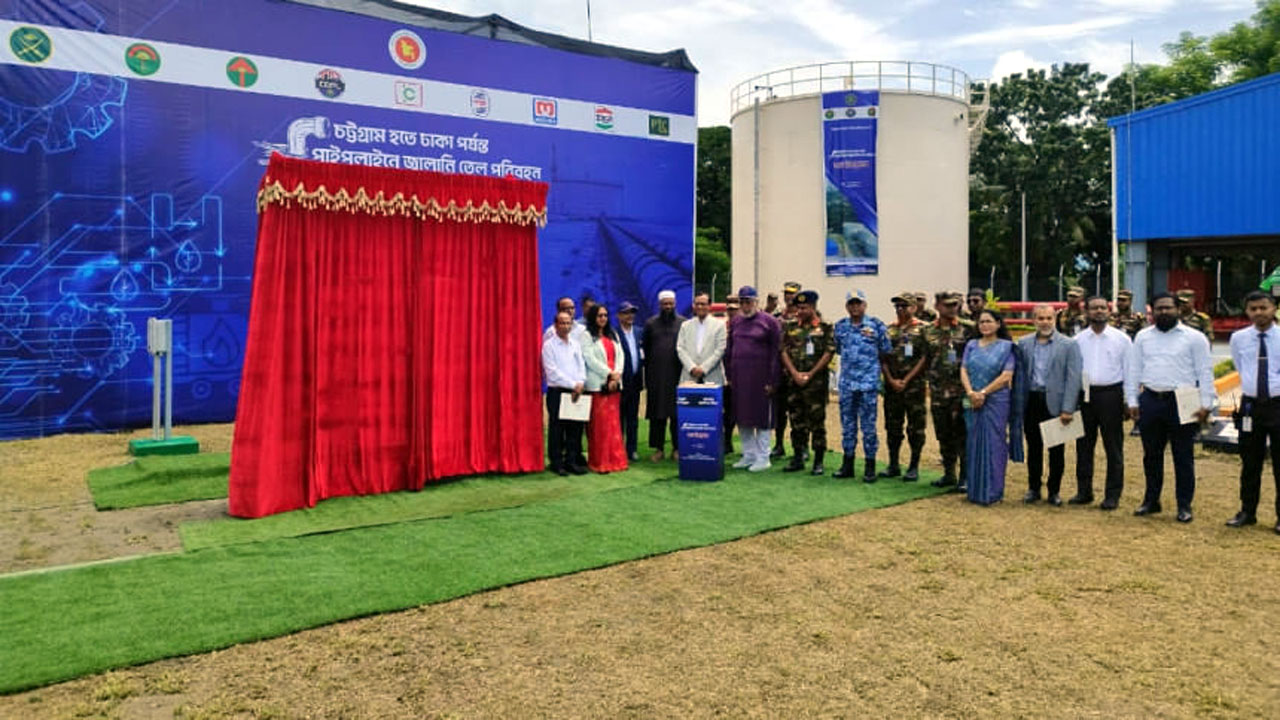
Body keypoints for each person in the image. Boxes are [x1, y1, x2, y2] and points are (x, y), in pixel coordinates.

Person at [1125, 291, 1214, 523]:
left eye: (1168, 307)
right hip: (1151, 399)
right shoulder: (1143, 337)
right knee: (1151, 456)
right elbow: (1133, 370)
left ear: (1178, 309)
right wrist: (1132, 401)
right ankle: (1151, 501)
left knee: (1183, 456)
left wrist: (1207, 404)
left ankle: (1184, 505)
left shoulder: (1195, 337)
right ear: (1152, 311)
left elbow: (1205, 372)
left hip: (1184, 400)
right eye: (1159, 308)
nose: (1164, 311)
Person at [1015, 304, 1083, 506]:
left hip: (1055, 402)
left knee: (1056, 450)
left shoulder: (1068, 345)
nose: (1045, 322)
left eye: (1048, 318)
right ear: (1033, 320)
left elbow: (1073, 378)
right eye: (1040, 318)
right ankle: (1033, 488)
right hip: (1032, 400)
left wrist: (1068, 407)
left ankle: (1054, 490)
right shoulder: (1023, 344)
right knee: (1034, 447)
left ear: (1055, 320)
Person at [1226, 290, 1280, 533]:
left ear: (1274, 308)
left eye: (1263, 308)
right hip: (1250, 406)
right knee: (1250, 462)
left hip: (1278, 405)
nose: (1259, 313)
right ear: (1247, 311)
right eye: (1253, 309)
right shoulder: (1239, 338)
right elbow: (1240, 366)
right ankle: (1247, 511)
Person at [1074, 296, 1131, 509]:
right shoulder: (1078, 340)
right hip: (1085, 396)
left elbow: (1129, 370)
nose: (1098, 311)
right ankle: (1084, 491)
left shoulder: (1121, 339)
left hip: (1111, 395)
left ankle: (1112, 495)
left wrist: (1128, 400)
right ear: (1086, 311)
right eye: (1094, 308)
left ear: (1108, 311)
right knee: (1084, 446)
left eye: (1102, 307)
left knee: (1113, 447)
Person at [961, 309, 1021, 505]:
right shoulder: (971, 345)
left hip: (995, 401)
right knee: (973, 441)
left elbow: (1006, 376)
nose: (984, 325)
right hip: (972, 400)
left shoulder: (1007, 347)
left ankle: (993, 491)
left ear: (998, 324)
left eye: (988, 321)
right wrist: (971, 393)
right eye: (981, 322)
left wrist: (984, 393)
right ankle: (975, 489)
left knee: (994, 443)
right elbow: (963, 369)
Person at [832, 289, 889, 480]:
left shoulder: (877, 325)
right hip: (848, 384)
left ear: (865, 305)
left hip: (868, 384)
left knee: (868, 427)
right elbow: (838, 349)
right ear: (847, 306)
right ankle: (847, 465)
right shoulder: (840, 327)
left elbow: (885, 350)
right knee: (847, 426)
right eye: (851, 303)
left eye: (858, 303)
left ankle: (870, 466)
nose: (855, 307)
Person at [922, 292, 976, 488]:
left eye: (955, 305)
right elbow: (924, 358)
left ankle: (965, 476)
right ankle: (948, 473)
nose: (952, 308)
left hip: (961, 390)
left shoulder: (969, 329)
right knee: (943, 433)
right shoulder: (927, 331)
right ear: (937, 306)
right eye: (947, 305)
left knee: (962, 433)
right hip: (937, 391)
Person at [726, 286, 782, 471]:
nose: (745, 305)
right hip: (740, 379)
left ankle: (763, 457)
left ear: (756, 302)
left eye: (748, 301)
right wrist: (730, 375)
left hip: (761, 379)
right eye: (742, 301)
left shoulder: (770, 322)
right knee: (743, 418)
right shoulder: (736, 322)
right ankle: (748, 455)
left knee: (762, 419)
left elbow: (776, 353)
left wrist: (773, 380)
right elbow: (730, 349)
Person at [779, 290, 835, 475]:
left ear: (813, 307)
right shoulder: (790, 326)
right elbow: (783, 351)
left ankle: (818, 461)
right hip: (794, 382)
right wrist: (794, 373)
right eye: (798, 307)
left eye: (804, 307)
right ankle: (797, 457)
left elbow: (828, 353)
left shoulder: (826, 327)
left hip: (815, 384)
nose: (800, 311)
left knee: (817, 423)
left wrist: (810, 374)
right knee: (796, 421)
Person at [880, 291, 929, 481]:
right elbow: (882, 357)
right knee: (893, 427)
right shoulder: (889, 329)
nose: (900, 310)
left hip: (914, 386)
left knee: (915, 428)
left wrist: (907, 379)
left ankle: (913, 466)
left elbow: (925, 357)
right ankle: (893, 464)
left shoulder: (924, 329)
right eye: (897, 306)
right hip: (892, 387)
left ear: (914, 308)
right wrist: (891, 379)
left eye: (904, 306)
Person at [582, 304, 627, 473]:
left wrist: (617, 374)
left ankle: (616, 460)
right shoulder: (586, 336)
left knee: (613, 425)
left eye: (605, 315)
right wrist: (609, 373)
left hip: (614, 385)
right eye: (600, 315)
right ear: (593, 317)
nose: (603, 318)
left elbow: (621, 355)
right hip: (597, 386)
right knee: (599, 426)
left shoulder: (613, 333)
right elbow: (589, 359)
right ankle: (599, 462)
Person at [541, 311, 588, 476]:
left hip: (576, 391)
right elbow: (552, 372)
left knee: (575, 428)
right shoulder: (549, 346)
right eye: (562, 323)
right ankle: (556, 462)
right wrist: (573, 384)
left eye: (568, 323)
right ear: (555, 325)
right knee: (557, 429)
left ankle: (571, 461)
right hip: (558, 391)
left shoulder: (575, 344)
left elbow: (581, 365)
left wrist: (581, 382)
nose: (566, 326)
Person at [643, 290, 685, 461]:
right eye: (664, 304)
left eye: (670, 303)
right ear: (659, 305)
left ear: (675, 304)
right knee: (657, 415)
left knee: (677, 415)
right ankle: (658, 449)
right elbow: (646, 348)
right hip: (656, 377)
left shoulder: (683, 323)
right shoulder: (651, 324)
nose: (667, 307)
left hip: (677, 376)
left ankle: (677, 448)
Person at [771, 281, 802, 458]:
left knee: (799, 412)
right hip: (780, 371)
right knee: (780, 411)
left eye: (792, 293)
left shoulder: (805, 316)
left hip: (798, 370)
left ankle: (802, 447)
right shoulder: (776, 316)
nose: (789, 297)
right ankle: (779, 444)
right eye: (787, 294)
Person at [676, 292, 727, 385]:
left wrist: (703, 368)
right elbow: (680, 349)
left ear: (709, 306)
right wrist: (692, 368)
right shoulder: (685, 325)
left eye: (703, 304)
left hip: (712, 378)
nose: (699, 307)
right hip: (689, 377)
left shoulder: (719, 325)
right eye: (697, 304)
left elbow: (720, 350)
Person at [615, 301, 644, 462]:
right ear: (619, 315)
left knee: (633, 419)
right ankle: (618, 449)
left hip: (635, 381)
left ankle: (631, 449)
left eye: (632, 312)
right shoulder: (614, 333)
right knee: (619, 418)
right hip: (621, 382)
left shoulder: (639, 332)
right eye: (626, 312)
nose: (630, 315)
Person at [723, 296, 741, 453]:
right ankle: (726, 441)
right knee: (725, 410)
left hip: (741, 377)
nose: (732, 312)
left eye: (735, 309)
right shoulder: (722, 326)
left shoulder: (744, 327)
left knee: (736, 411)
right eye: (730, 309)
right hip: (724, 376)